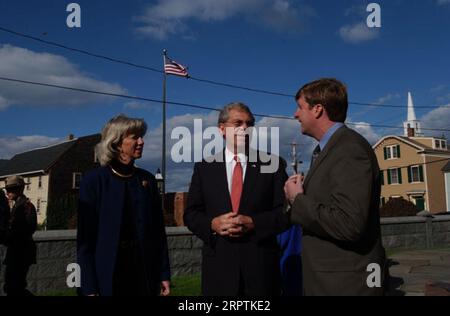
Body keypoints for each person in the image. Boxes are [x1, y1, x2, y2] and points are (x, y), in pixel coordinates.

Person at [284, 78, 386, 296]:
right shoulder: (331, 149)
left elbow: (349, 224)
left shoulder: (348, 149)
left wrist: (297, 200)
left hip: (346, 283)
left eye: (300, 107)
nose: (295, 114)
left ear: (318, 109)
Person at [184, 102, 290, 296]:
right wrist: (212, 224)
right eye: (238, 123)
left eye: (249, 124)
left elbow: (285, 214)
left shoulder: (273, 165)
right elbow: (191, 214)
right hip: (219, 269)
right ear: (222, 129)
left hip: (261, 270)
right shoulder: (204, 168)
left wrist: (254, 223)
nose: (244, 128)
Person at [77, 114, 170, 296]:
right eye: (135, 137)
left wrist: (163, 274)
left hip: (144, 273)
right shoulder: (94, 180)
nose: (142, 142)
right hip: (108, 275)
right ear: (117, 142)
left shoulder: (147, 180)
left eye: (142, 136)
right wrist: (88, 287)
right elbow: (85, 240)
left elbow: (158, 233)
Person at [2, 175, 37, 296]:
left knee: (15, 286)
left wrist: (10, 235)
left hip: (22, 251)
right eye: (7, 190)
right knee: (11, 286)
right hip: (16, 250)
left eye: (10, 190)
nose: (8, 193)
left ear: (19, 189)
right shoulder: (17, 206)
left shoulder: (27, 206)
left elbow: (29, 228)